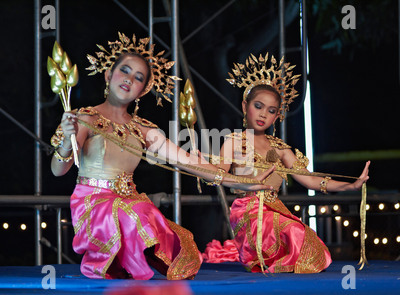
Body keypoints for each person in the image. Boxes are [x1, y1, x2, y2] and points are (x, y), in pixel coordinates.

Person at [50, 33, 273, 280]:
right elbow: (58, 170)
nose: (128, 79)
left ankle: (127, 261)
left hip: (132, 206)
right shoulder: (84, 119)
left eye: (138, 78)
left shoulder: (144, 129)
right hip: (94, 205)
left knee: (161, 229)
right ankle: (113, 258)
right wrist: (65, 144)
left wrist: (240, 182)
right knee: (136, 211)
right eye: (124, 70)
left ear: (143, 90)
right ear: (108, 74)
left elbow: (187, 162)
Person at [202, 53, 370, 273]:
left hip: (275, 210)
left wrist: (350, 186)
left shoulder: (280, 148)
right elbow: (219, 175)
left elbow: (309, 179)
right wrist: (201, 165)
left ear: (277, 116)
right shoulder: (234, 141)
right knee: (293, 232)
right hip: (248, 211)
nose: (263, 114)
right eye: (258, 106)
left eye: (271, 111)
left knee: (312, 245)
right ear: (245, 106)